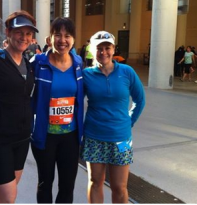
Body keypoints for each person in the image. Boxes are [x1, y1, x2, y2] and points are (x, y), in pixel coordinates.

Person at [80, 31, 145, 203]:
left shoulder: (127, 72)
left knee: (119, 186)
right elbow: (76, 102)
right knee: (95, 182)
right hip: (94, 137)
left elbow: (140, 99)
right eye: (99, 48)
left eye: (107, 48)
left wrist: (128, 122)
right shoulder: (86, 75)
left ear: (113, 49)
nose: (103, 52)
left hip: (121, 138)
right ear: (92, 50)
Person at [0, 10, 37, 203]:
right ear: (8, 32)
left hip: (21, 140)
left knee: (6, 198)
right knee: (8, 198)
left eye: (29, 33)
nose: (24, 37)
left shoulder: (28, 65)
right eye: (19, 32)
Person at [30, 17, 84, 203]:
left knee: (67, 186)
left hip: (70, 136)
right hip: (45, 136)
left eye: (67, 36)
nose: (62, 40)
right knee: (45, 183)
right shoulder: (38, 63)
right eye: (57, 35)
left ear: (73, 39)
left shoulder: (78, 64)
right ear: (49, 38)